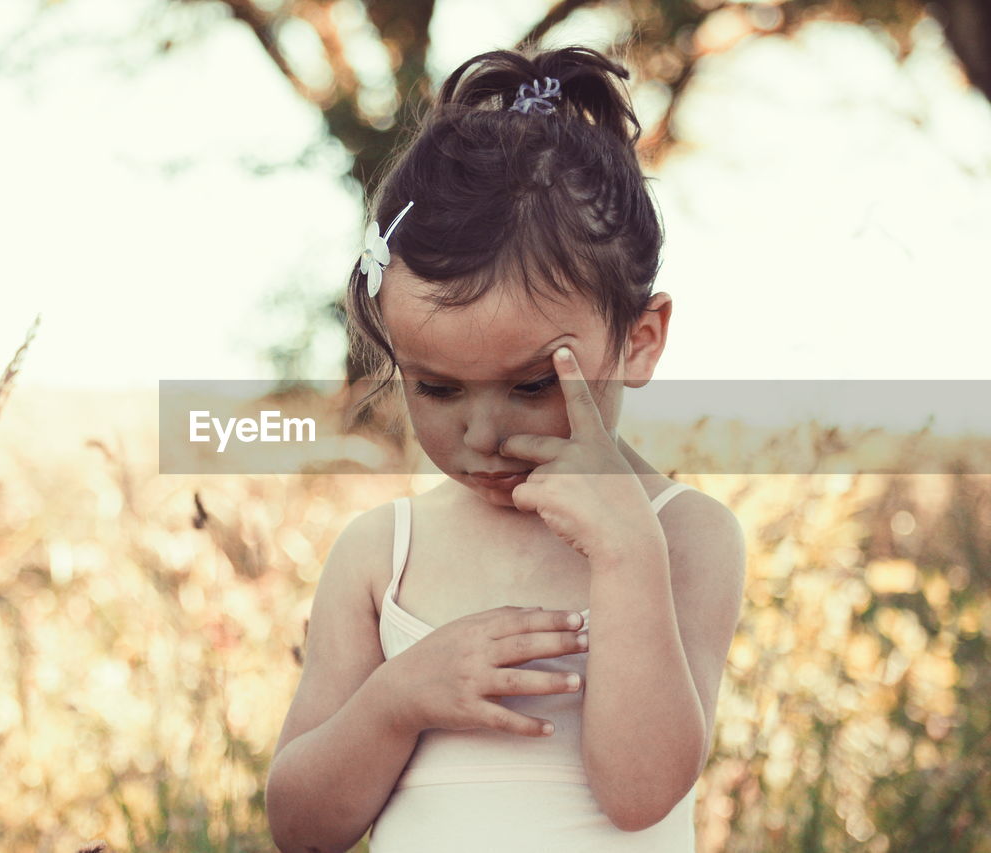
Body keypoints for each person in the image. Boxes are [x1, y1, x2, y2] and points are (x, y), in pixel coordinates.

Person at [265, 42, 748, 853]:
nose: (482, 435)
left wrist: (628, 554)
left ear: (638, 339)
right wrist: (398, 698)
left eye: (531, 385)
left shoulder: (685, 535)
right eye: (438, 388)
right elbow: (302, 827)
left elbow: (641, 793)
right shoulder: (384, 553)